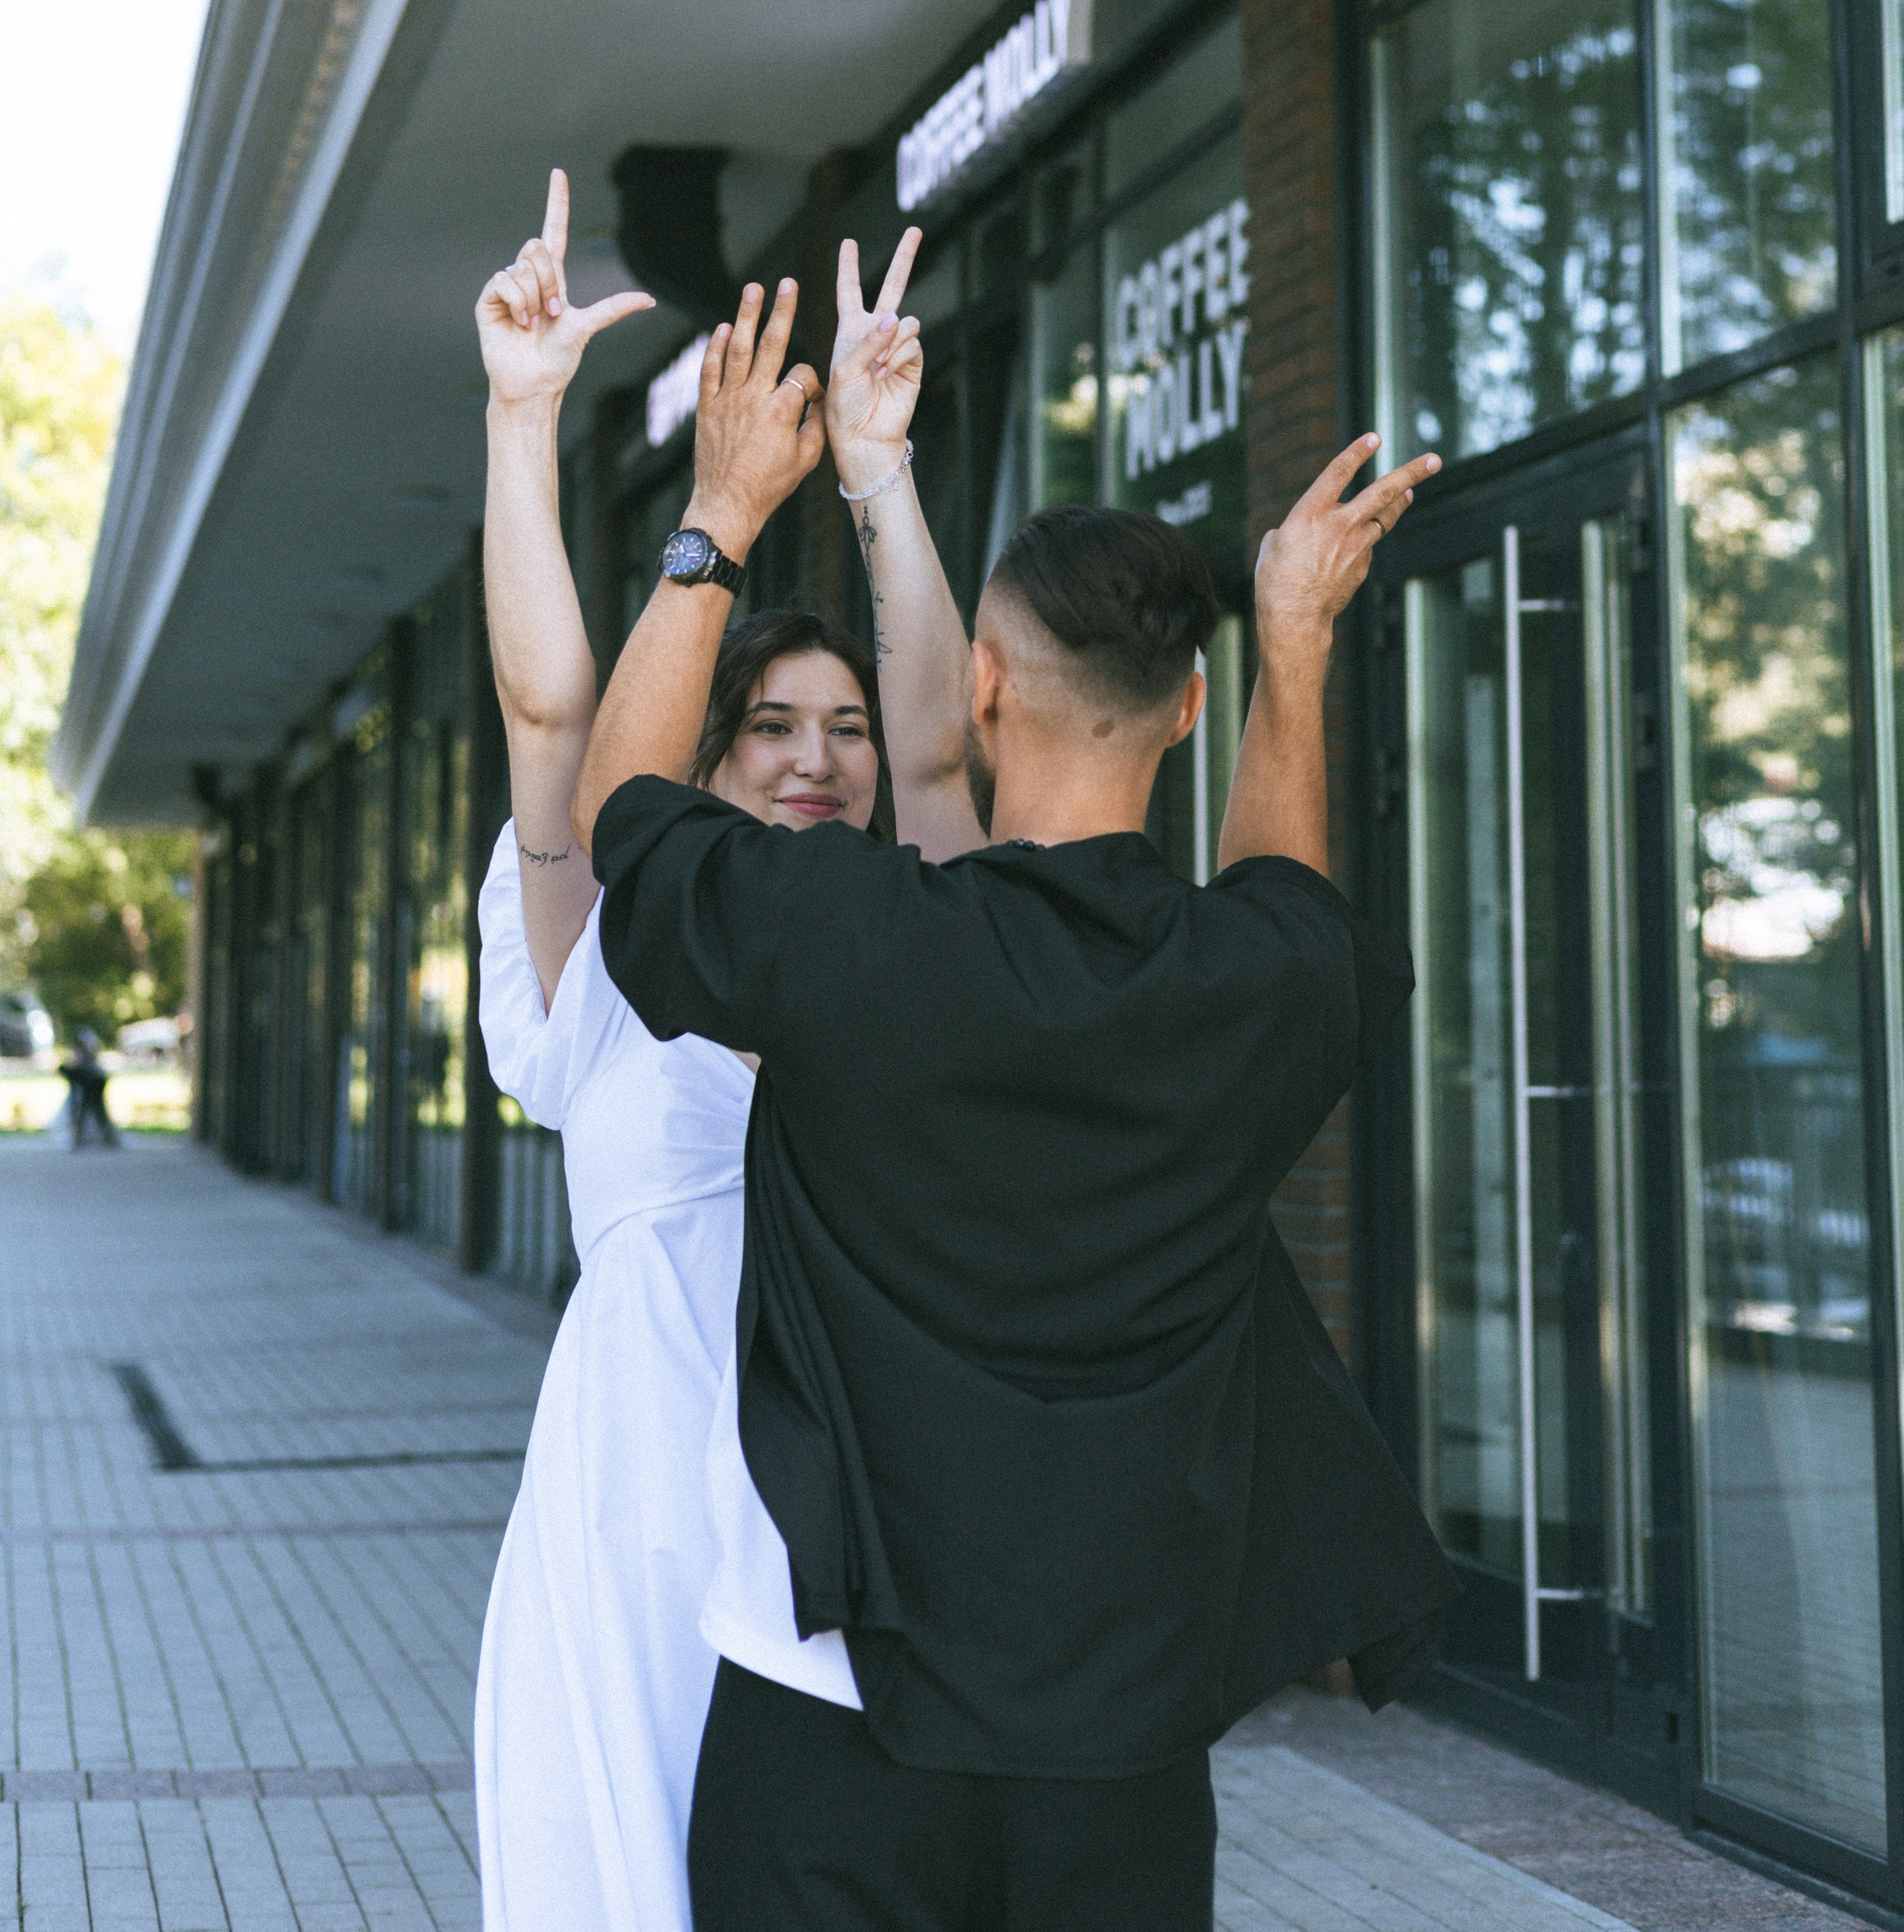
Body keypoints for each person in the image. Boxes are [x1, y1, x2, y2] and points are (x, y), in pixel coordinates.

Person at [571, 237, 1459, 1932]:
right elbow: (1287, 904)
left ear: (979, 686)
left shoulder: (853, 944)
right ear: (1182, 710)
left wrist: (723, 521)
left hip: (826, 1707)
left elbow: (628, 817)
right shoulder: (1250, 988)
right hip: (1118, 1743)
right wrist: (1294, 647)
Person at [470, 171, 886, 1932]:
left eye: (839, 726)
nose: (813, 757)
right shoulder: (614, 952)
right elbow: (551, 708)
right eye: (769, 724)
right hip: (641, 1471)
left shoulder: (900, 951)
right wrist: (521, 416)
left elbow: (941, 757)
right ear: (700, 759)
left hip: (845, 1469)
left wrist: (877, 478)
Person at [57, 1027, 118, 1149]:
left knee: (91, 1113)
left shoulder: (88, 1059)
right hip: (87, 1087)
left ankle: (85, 1138)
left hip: (92, 1086)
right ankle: (83, 1138)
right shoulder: (84, 1059)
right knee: (88, 1113)